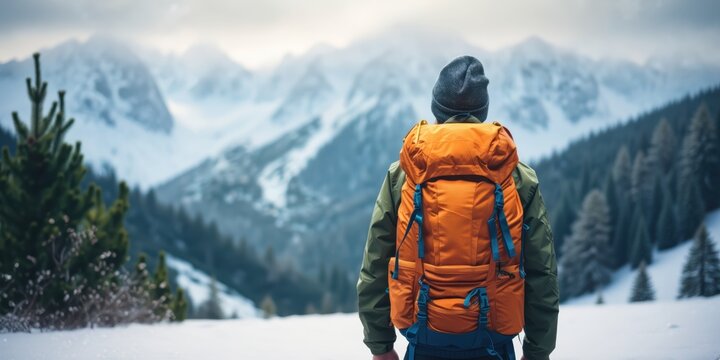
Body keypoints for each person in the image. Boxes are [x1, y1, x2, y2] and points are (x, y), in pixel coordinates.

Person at [357, 56, 559, 360]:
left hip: (423, 334)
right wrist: (538, 351)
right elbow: (542, 271)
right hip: (493, 338)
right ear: (483, 111)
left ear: (437, 110)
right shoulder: (516, 177)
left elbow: (375, 261)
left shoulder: (403, 174)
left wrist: (380, 345)